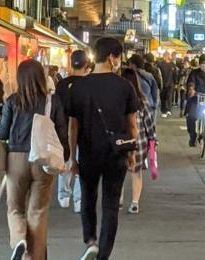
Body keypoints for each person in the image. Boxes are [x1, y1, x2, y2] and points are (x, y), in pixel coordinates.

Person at [67, 37, 139, 260]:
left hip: (88, 151)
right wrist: (132, 153)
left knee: (88, 197)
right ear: (112, 58)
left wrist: (72, 157)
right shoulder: (125, 86)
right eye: (118, 57)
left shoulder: (78, 86)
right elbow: (132, 125)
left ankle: (91, 241)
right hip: (115, 153)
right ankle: (103, 255)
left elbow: (73, 127)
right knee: (110, 204)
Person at [0, 58, 68, 260]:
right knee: (38, 212)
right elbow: (62, 132)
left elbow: (3, 132)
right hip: (43, 159)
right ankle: (35, 257)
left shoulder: (12, 100)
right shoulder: (52, 101)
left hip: (16, 158)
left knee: (15, 208)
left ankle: (19, 241)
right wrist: (65, 158)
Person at [56, 49, 89, 213]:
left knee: (65, 161)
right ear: (87, 65)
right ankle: (78, 199)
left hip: (62, 128)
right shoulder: (89, 84)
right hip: (84, 130)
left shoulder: (62, 84)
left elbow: (56, 108)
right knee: (80, 164)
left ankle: (63, 195)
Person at [121, 67, 156, 214]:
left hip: (120, 141)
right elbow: (149, 123)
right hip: (139, 143)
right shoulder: (142, 101)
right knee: (136, 173)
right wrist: (153, 140)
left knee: (119, 172)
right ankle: (135, 203)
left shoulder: (117, 100)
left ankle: (119, 200)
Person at [127, 55, 158, 120]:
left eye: (129, 64)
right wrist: (154, 105)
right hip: (148, 105)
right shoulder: (149, 76)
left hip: (135, 108)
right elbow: (154, 92)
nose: (128, 66)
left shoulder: (129, 77)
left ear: (134, 65)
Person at [156, 53, 176, 118]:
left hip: (170, 83)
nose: (165, 57)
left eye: (166, 56)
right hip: (162, 84)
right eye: (164, 56)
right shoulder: (160, 64)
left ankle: (168, 109)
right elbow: (157, 74)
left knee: (169, 96)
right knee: (163, 97)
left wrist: (176, 83)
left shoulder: (172, 64)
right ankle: (163, 111)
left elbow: (175, 74)